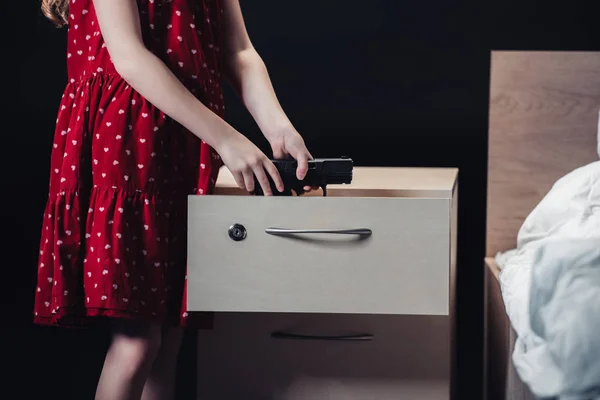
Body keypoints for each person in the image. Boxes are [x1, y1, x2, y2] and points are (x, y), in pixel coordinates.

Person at [35, 0, 314, 399]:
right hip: (125, 144)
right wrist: (227, 138)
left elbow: (239, 52)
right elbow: (129, 57)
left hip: (184, 139)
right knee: (137, 344)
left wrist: (278, 128)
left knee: (167, 344)